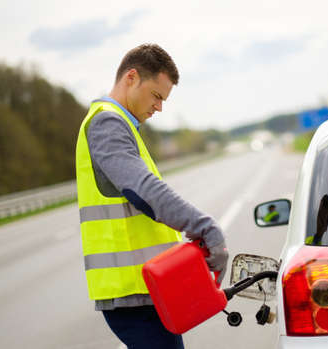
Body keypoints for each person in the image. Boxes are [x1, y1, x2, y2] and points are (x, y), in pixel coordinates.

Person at [75, 43, 229, 349]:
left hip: (147, 290)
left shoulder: (121, 125)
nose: (159, 107)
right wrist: (203, 225)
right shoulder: (107, 123)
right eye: (157, 96)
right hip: (131, 296)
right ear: (131, 78)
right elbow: (142, 190)